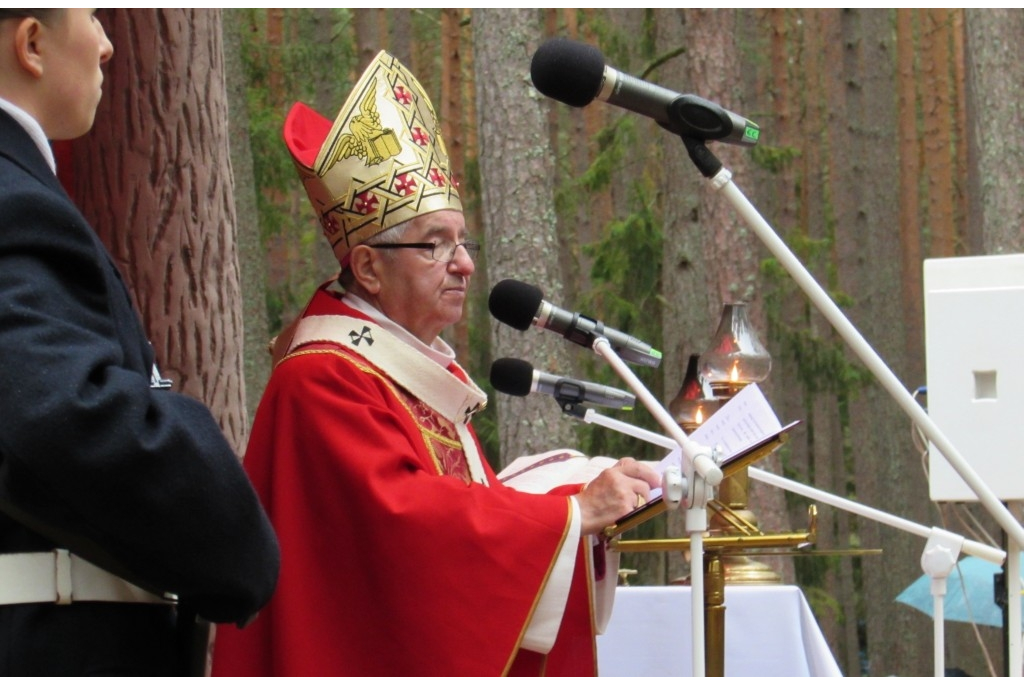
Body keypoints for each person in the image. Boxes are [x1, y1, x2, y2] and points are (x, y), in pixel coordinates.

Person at [210, 50, 659, 677]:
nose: (466, 264)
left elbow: (470, 506)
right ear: (367, 267)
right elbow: (410, 529)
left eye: (463, 240)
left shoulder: (403, 373)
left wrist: (585, 495)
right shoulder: (322, 377)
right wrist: (570, 515)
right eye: (434, 244)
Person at [0, 9, 279, 676]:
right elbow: (63, 408)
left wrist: (156, 392)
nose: (106, 44)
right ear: (32, 43)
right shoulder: (12, 198)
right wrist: (233, 533)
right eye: (93, 14)